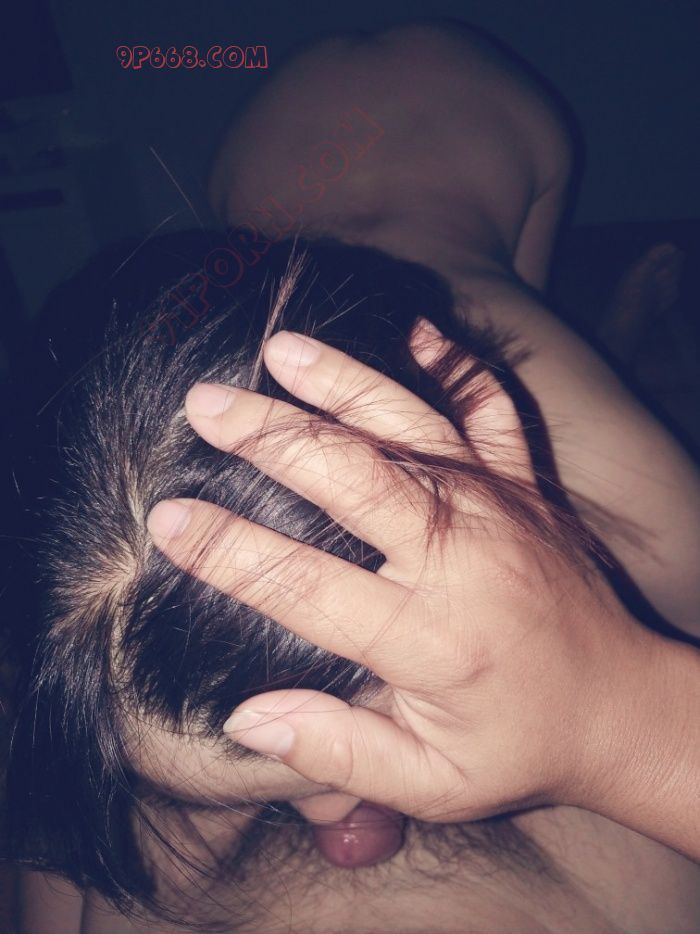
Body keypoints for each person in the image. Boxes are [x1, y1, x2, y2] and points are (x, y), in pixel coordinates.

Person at [7, 19, 699, 934]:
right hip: (271, 189)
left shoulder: (655, 523)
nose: (342, 817)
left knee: (515, 327)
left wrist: (616, 723)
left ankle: (565, 322)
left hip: (494, 144)